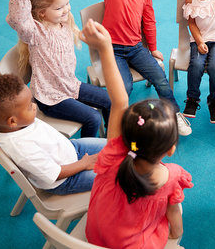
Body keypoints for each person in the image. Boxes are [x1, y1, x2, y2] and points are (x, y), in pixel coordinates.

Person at [0, 28, 107, 195]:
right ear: (12, 121)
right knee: (120, 174)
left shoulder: (11, 118)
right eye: (29, 105)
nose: (35, 106)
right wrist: (84, 164)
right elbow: (54, 174)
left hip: (71, 150)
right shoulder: (21, 146)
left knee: (120, 147)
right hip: (66, 179)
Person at [80, 18, 193, 248]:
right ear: (171, 149)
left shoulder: (113, 155)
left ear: (127, 137)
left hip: (95, 236)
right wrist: (175, 237)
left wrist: (104, 47)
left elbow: (119, 100)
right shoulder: (171, 177)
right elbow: (175, 226)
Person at [100, 0, 191, 135]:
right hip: (113, 51)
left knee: (160, 79)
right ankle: (117, 123)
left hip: (135, 48)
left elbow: (149, 22)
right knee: (125, 88)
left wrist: (152, 47)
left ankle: (174, 114)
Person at [6, 0, 111, 138]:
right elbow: (18, 18)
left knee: (110, 100)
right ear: (41, 13)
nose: (66, 10)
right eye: (59, 8)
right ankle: (85, 153)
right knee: (93, 118)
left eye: (67, 3)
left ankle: (112, 140)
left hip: (70, 86)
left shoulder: (63, 23)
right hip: (50, 97)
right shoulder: (35, 32)